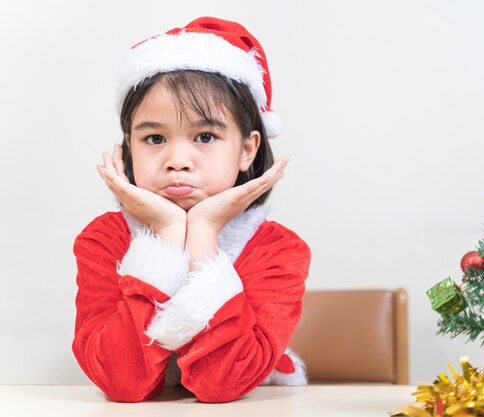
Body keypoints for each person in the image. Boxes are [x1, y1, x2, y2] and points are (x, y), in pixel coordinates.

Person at [72, 17, 311, 403]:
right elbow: (120, 383)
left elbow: (222, 385)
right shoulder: (104, 239)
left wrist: (202, 235)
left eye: (205, 136)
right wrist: (166, 235)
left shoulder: (278, 250)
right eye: (154, 138)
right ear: (128, 148)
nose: (177, 160)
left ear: (247, 149)